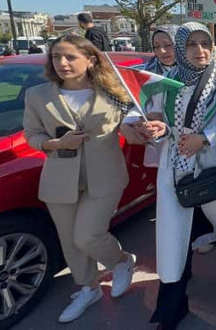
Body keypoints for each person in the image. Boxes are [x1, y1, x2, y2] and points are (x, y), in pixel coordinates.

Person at [134, 23, 216, 330]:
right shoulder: (167, 81)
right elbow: (158, 119)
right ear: (181, 49)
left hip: (214, 166)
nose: (199, 50)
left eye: (205, 43)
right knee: (174, 238)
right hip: (175, 166)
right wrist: (159, 129)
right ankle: (172, 307)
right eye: (191, 45)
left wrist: (206, 138)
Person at [22, 35, 140, 323]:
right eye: (56, 56)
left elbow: (131, 130)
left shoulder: (115, 94)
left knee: (88, 235)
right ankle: (89, 288)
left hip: (105, 176)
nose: (62, 63)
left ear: (90, 60)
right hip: (59, 179)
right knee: (70, 243)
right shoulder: (37, 95)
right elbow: (32, 135)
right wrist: (56, 144)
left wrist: (144, 129)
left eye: (70, 57)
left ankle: (121, 261)